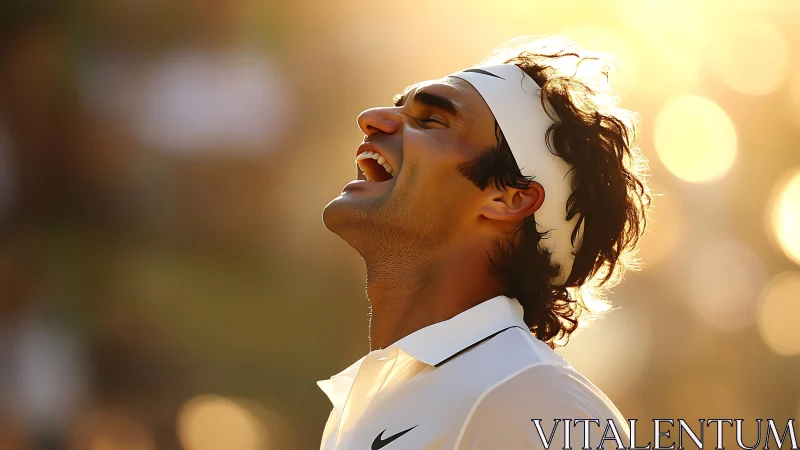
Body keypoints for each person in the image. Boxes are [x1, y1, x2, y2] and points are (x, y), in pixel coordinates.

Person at [317, 36, 651, 450]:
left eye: (432, 121)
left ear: (508, 199)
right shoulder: (369, 402)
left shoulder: (539, 402)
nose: (372, 118)